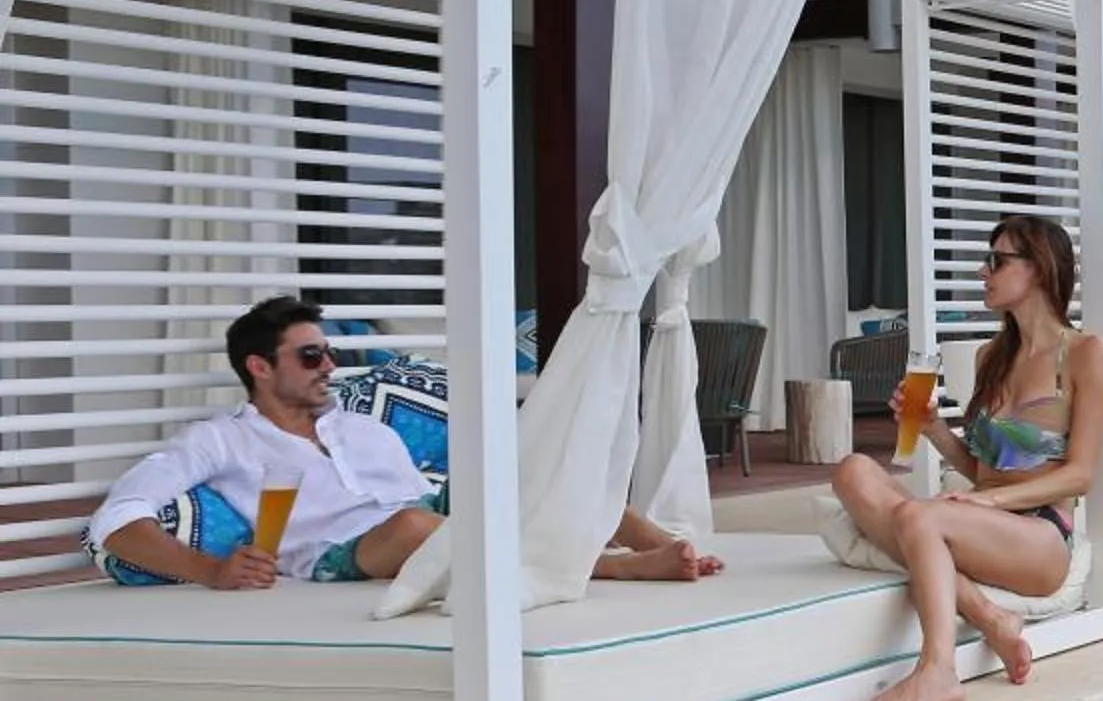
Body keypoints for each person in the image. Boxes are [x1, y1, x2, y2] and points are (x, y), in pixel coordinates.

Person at [86, 296, 720, 588]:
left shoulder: (362, 429)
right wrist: (208, 569)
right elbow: (118, 519)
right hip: (341, 554)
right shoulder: (221, 442)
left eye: (328, 352)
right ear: (259, 367)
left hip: (433, 522)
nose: (329, 364)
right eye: (310, 355)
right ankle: (612, 566)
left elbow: (434, 496)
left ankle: (661, 543)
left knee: (543, 468)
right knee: (420, 527)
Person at [831, 214, 1103, 701]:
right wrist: (933, 427)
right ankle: (990, 618)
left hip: (1041, 535)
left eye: (997, 261)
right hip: (984, 521)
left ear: (1040, 269)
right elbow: (981, 470)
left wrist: (983, 501)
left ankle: (938, 669)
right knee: (853, 470)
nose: (984, 272)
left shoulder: (1087, 355)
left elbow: (1080, 475)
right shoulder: (990, 357)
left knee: (920, 517)